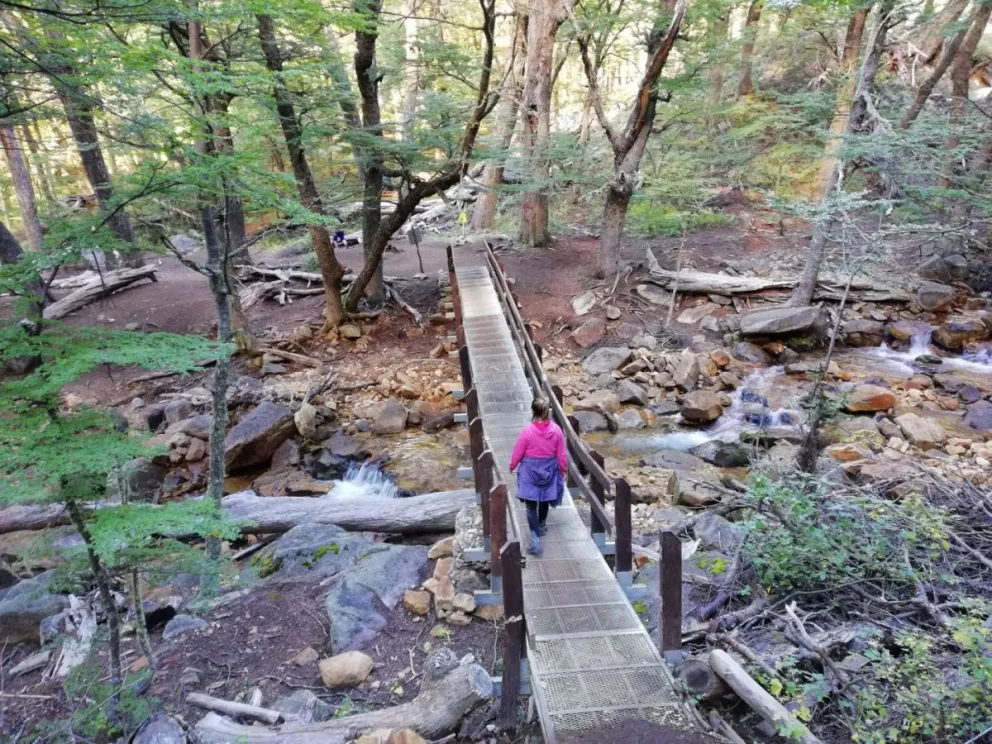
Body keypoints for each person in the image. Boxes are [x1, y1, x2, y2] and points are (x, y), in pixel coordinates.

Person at [509, 398, 567, 555]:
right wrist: (563, 469)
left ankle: (535, 538)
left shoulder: (527, 431)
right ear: (547, 411)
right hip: (549, 469)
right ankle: (541, 524)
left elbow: (518, 451)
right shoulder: (556, 431)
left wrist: (512, 465)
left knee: (530, 505)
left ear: (533, 411)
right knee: (545, 499)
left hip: (529, 470)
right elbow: (561, 453)